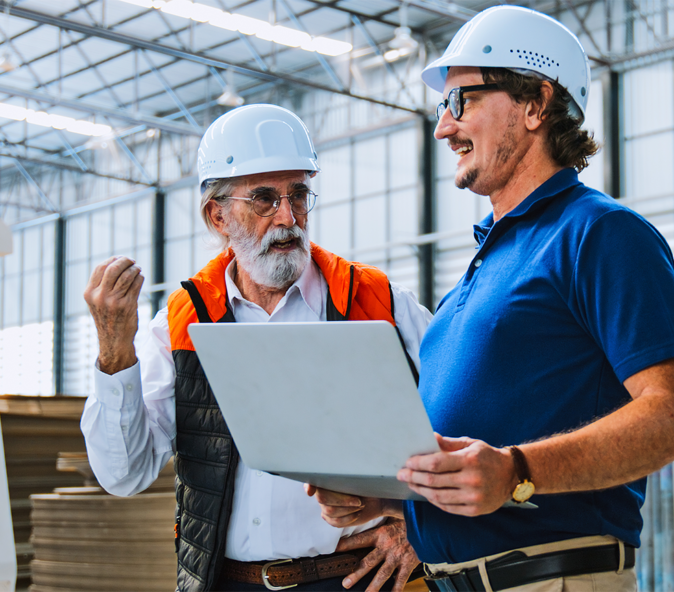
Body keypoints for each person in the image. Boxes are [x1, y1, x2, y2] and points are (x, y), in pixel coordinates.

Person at [309, 6, 674, 591]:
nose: (443, 127)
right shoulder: (479, 268)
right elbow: (477, 464)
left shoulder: (599, 234)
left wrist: (518, 472)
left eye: (460, 101)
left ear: (535, 104)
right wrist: (391, 499)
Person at [80, 104, 432, 592]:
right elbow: (124, 475)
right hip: (226, 583)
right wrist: (114, 351)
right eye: (264, 199)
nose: (288, 217)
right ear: (217, 215)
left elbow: (468, 425)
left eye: (299, 195)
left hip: (356, 580)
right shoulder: (182, 322)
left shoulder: (377, 299)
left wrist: (418, 528)